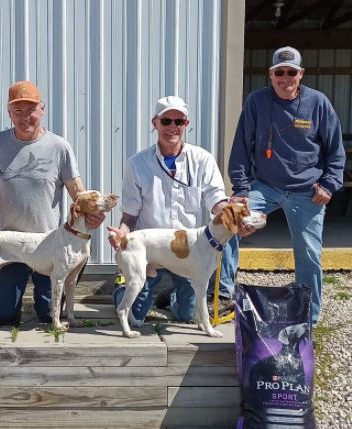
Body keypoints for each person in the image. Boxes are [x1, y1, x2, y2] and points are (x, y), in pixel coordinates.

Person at [225, 46, 345, 325]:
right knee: (228, 225)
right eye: (280, 72)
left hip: (307, 191)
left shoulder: (318, 103)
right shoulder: (256, 101)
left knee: (309, 254)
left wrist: (328, 184)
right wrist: (241, 191)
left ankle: (309, 318)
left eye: (292, 72)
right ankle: (223, 297)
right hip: (265, 186)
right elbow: (242, 146)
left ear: (301, 74)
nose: (286, 77)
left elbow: (335, 150)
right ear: (271, 74)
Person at [0, 80, 104, 325]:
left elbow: (77, 191)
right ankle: (5, 293)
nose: (25, 117)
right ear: (9, 113)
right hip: (12, 244)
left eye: (31, 110)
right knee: (4, 316)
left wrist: (91, 218)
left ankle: (48, 306)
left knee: (48, 315)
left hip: (50, 244)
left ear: (42, 110)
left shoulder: (59, 147)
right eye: (18, 111)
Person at [108, 96, 229, 323]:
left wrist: (230, 211)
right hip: (150, 249)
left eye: (179, 121)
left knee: (186, 316)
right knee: (133, 313)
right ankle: (121, 286)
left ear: (186, 124)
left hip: (189, 252)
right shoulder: (136, 164)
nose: (172, 127)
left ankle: (172, 295)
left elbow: (216, 199)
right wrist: (122, 233)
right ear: (155, 123)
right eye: (166, 121)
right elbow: (130, 212)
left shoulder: (203, 159)